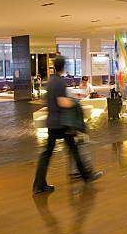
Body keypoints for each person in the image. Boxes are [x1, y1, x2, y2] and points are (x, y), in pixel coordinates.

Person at [33, 56, 102, 194]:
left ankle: (39, 185)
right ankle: (87, 175)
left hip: (52, 123)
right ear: (63, 67)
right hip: (61, 124)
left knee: (49, 153)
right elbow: (62, 102)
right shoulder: (59, 83)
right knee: (73, 149)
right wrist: (75, 102)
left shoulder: (50, 81)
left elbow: (46, 102)